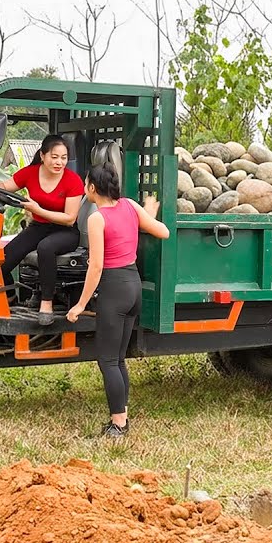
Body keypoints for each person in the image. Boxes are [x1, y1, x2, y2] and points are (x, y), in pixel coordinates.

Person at [66, 162, 169, 438]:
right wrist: (148, 212)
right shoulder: (129, 206)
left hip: (113, 290)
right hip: (133, 286)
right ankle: (122, 416)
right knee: (119, 358)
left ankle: (119, 425)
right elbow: (163, 231)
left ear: (91, 188)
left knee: (108, 361)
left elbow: (96, 266)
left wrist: (79, 305)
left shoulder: (97, 219)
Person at [0, 134, 84, 324]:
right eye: (54, 157)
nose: (59, 162)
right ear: (43, 155)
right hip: (39, 227)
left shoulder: (73, 181)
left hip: (65, 231)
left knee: (46, 247)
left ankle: (46, 302)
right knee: (2, 261)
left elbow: (69, 218)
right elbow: (5, 187)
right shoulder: (30, 173)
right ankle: (10, 299)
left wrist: (38, 209)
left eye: (63, 158)